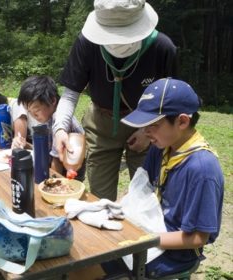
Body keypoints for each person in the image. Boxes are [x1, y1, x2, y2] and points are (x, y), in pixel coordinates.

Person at [53, 0, 177, 201]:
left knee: (146, 195)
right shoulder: (87, 43)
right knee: (99, 198)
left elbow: (170, 100)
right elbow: (70, 93)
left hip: (148, 126)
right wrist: (59, 129)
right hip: (101, 124)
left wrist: (148, 131)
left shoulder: (162, 48)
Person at [121, 78, 224, 278]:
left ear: (182, 121)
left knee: (97, 265)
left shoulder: (202, 169)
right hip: (149, 227)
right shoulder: (161, 146)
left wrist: (146, 239)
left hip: (175, 252)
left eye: (153, 125)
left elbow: (197, 237)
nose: (146, 131)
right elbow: (141, 189)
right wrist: (115, 208)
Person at [17, 75, 86, 181]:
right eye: (29, 112)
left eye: (36, 111)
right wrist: (26, 145)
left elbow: (56, 160)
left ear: (52, 100)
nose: (34, 116)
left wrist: (50, 182)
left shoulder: (60, 120)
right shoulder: (47, 116)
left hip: (70, 166)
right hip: (56, 162)